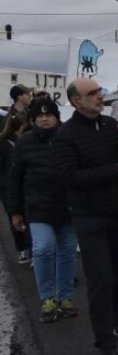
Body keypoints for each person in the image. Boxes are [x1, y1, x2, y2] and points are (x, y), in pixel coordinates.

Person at [55, 78, 118, 353]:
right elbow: (70, 177)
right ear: (77, 101)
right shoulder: (65, 135)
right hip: (90, 219)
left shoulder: (111, 126)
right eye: (93, 93)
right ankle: (105, 340)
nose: (100, 96)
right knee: (101, 278)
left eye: (100, 91)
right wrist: (115, 170)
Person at [8, 99, 79, 323]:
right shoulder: (24, 143)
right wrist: (15, 211)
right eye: (40, 116)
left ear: (57, 117)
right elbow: (14, 179)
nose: (45, 119)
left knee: (67, 252)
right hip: (37, 209)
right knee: (43, 248)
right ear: (34, 119)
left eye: (49, 115)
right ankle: (48, 298)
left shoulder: (69, 139)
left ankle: (65, 297)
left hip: (67, 207)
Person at [0, 112, 32, 264]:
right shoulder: (11, 144)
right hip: (13, 187)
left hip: (11, 188)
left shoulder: (23, 143)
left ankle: (25, 250)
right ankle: (26, 249)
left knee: (19, 218)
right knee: (22, 218)